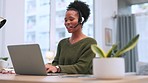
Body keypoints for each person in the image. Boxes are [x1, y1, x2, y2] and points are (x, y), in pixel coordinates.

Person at [45, 1, 97, 74]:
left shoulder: (90, 43)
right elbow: (55, 64)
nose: (67, 22)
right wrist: (48, 67)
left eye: (71, 19)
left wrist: (58, 68)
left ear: (81, 20)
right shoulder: (62, 43)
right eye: (66, 20)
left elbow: (82, 67)